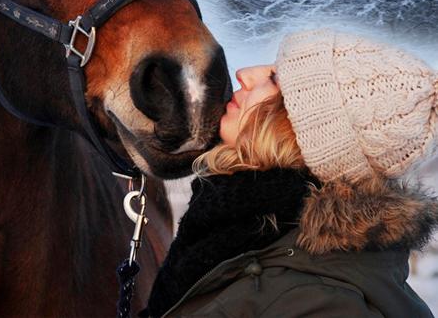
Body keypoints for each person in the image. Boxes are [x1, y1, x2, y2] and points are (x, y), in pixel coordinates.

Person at [144, 29, 438, 317]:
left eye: (275, 79)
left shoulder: (324, 305)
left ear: (307, 135)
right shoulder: (236, 232)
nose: (244, 73)